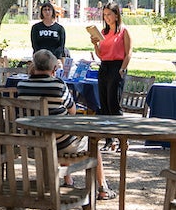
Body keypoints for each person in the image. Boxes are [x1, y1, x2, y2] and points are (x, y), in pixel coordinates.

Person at [18, 49, 113, 196]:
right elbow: (72, 111)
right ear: (54, 68)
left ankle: (68, 180)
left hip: (32, 143)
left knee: (62, 132)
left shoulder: (22, 86)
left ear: (33, 66)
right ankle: (103, 188)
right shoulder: (58, 85)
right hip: (60, 144)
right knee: (89, 140)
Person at [91, 2, 131, 150]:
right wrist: (95, 44)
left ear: (116, 15)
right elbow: (101, 54)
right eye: (105, 15)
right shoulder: (103, 32)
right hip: (105, 67)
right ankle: (109, 140)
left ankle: (123, 139)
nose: (107, 17)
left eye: (109, 14)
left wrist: (122, 69)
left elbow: (129, 53)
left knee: (114, 104)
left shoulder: (123, 31)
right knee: (104, 104)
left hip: (117, 66)